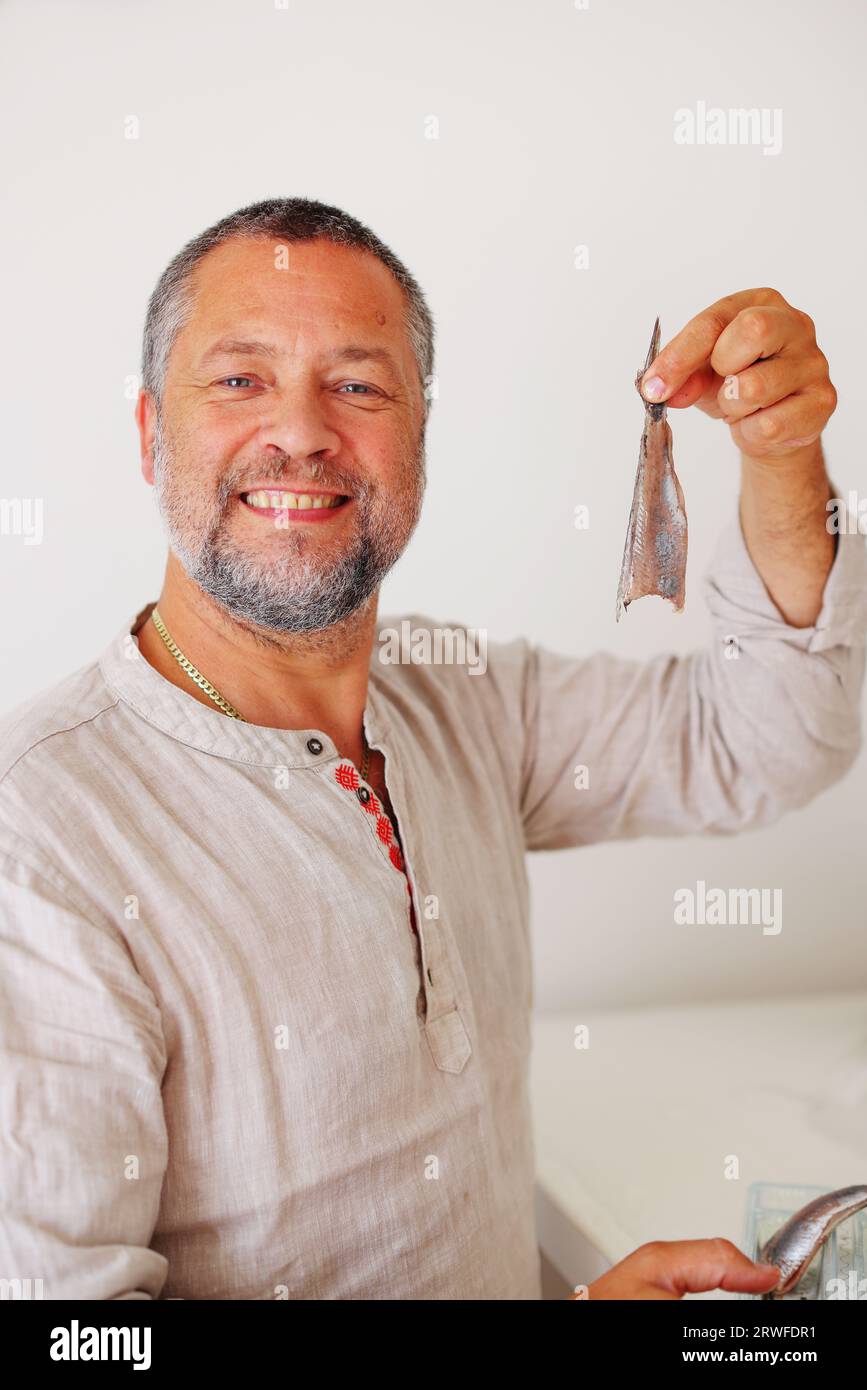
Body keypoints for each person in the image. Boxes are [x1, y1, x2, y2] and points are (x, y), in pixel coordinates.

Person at [0, 197, 863, 1301]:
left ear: (417, 440)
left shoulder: (463, 697)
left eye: (359, 385)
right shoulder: (43, 837)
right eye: (240, 379)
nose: (303, 432)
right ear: (148, 434)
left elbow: (769, 736)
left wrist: (782, 456)